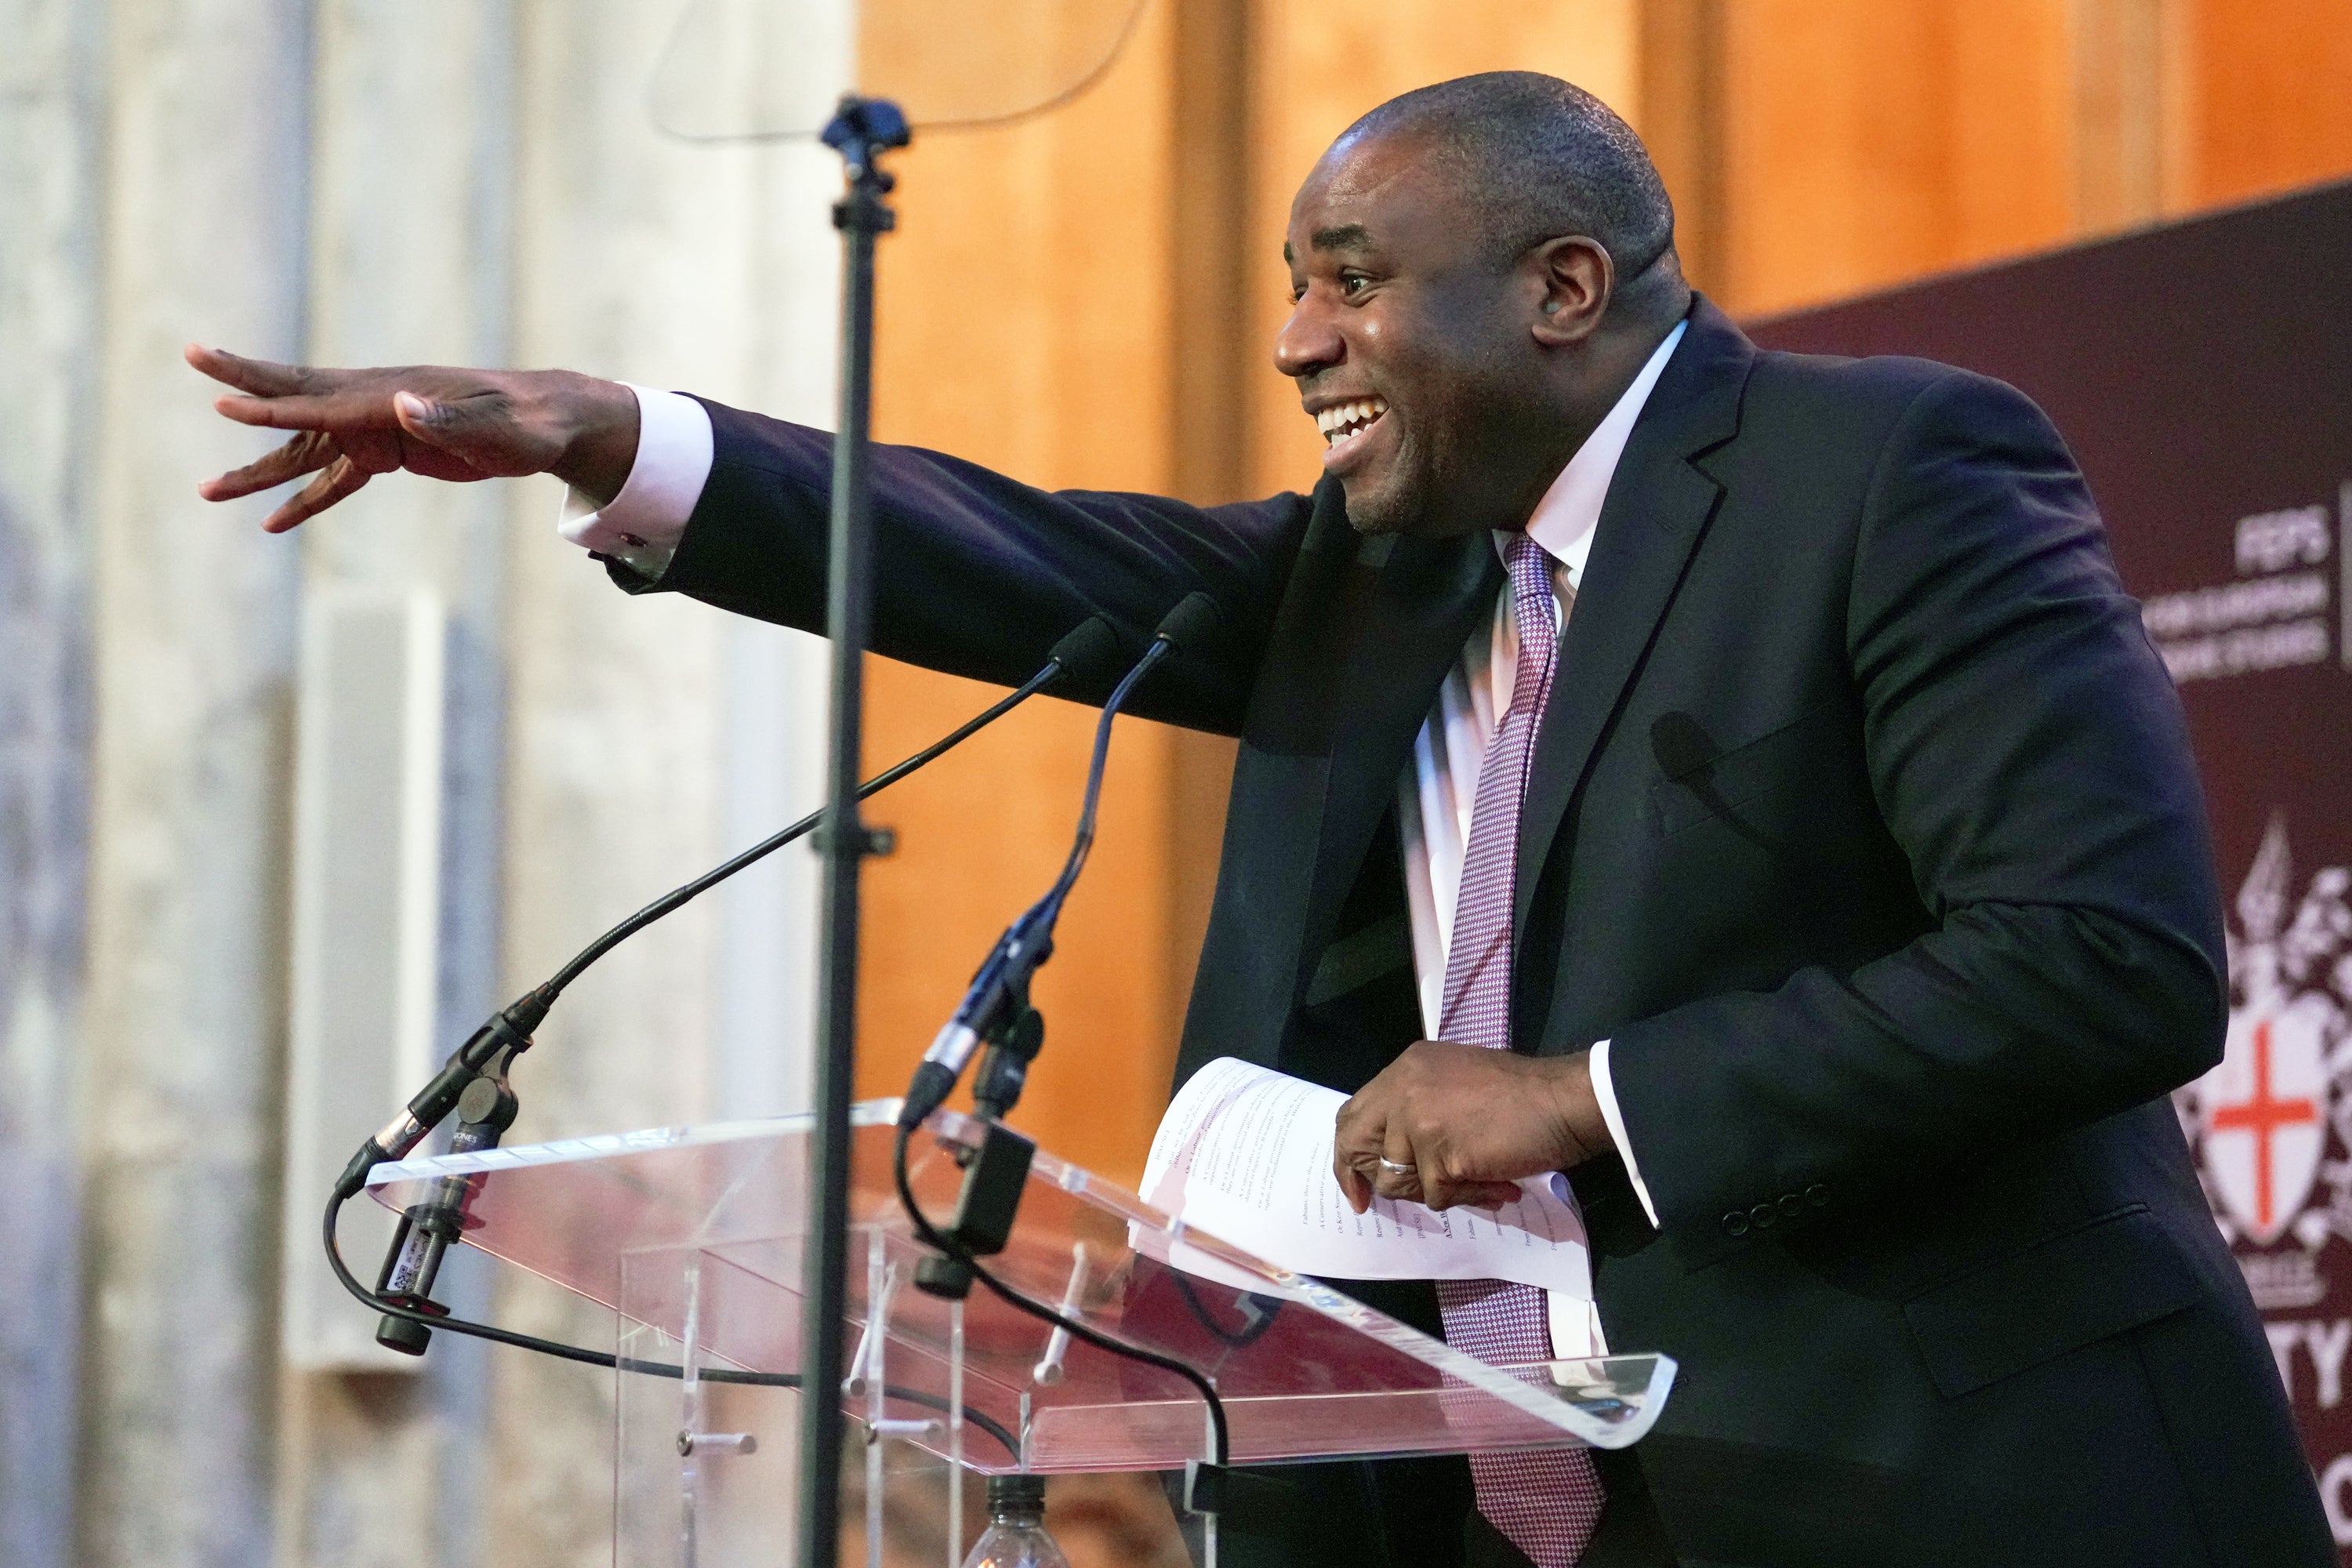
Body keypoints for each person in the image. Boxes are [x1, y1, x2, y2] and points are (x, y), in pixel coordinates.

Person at [192, 71, 2327, 1568]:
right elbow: (1006, 555)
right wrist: (610, 437)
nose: (1297, 336)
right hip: (1484, 1504)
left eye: (1351, 276)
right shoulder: (1375, 569)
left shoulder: (1890, 477)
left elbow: (2103, 960)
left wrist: (1582, 1095)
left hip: (1935, 1489)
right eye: (1296, 281)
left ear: (1563, 286)